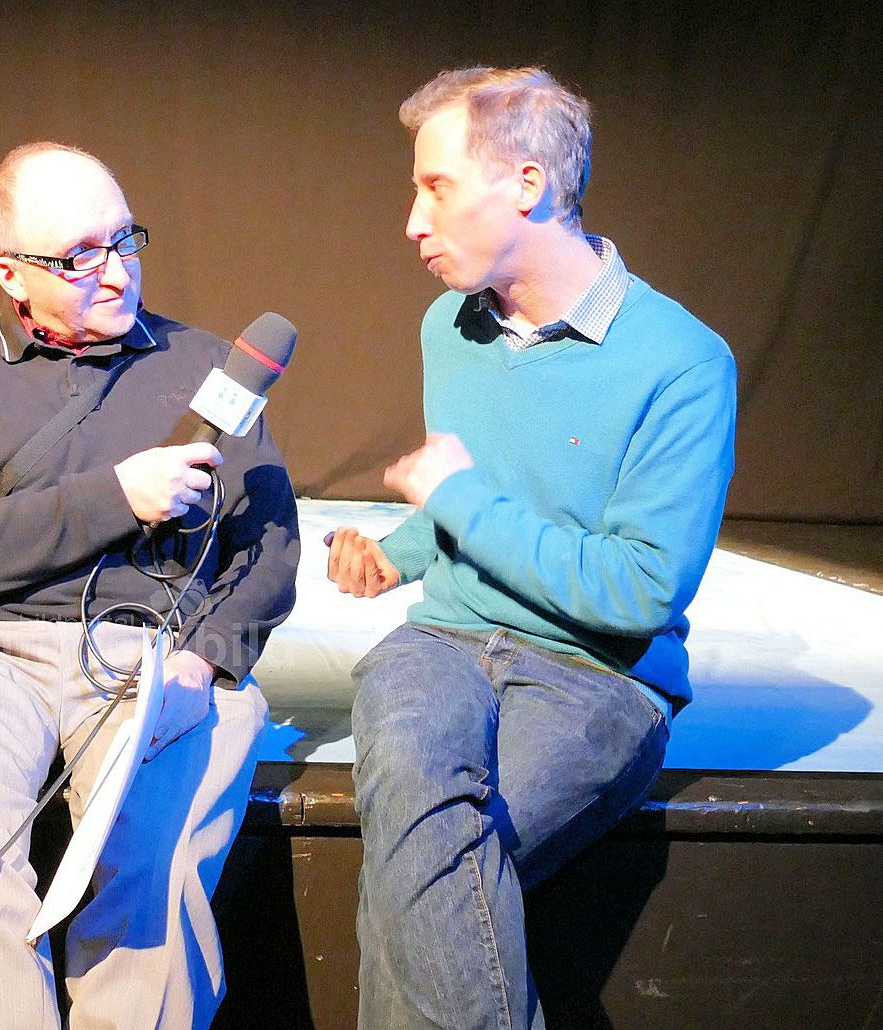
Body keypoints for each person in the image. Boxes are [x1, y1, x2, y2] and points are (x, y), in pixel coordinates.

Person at [327, 67, 736, 1028]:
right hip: (442, 644)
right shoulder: (450, 326)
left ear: (527, 184)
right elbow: (488, 495)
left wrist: (457, 500)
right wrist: (402, 552)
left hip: (596, 675)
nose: (412, 223)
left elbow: (639, 590)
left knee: (425, 866)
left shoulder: (683, 361)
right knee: (429, 848)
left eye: (436, 187)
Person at [0, 141, 300, 1029]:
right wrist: (116, 497)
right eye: (78, 256)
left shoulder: (209, 369)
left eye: (123, 239)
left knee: (157, 880)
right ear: (10, 273)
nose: (115, 270)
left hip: (157, 655)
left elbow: (270, 550)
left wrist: (207, 660)